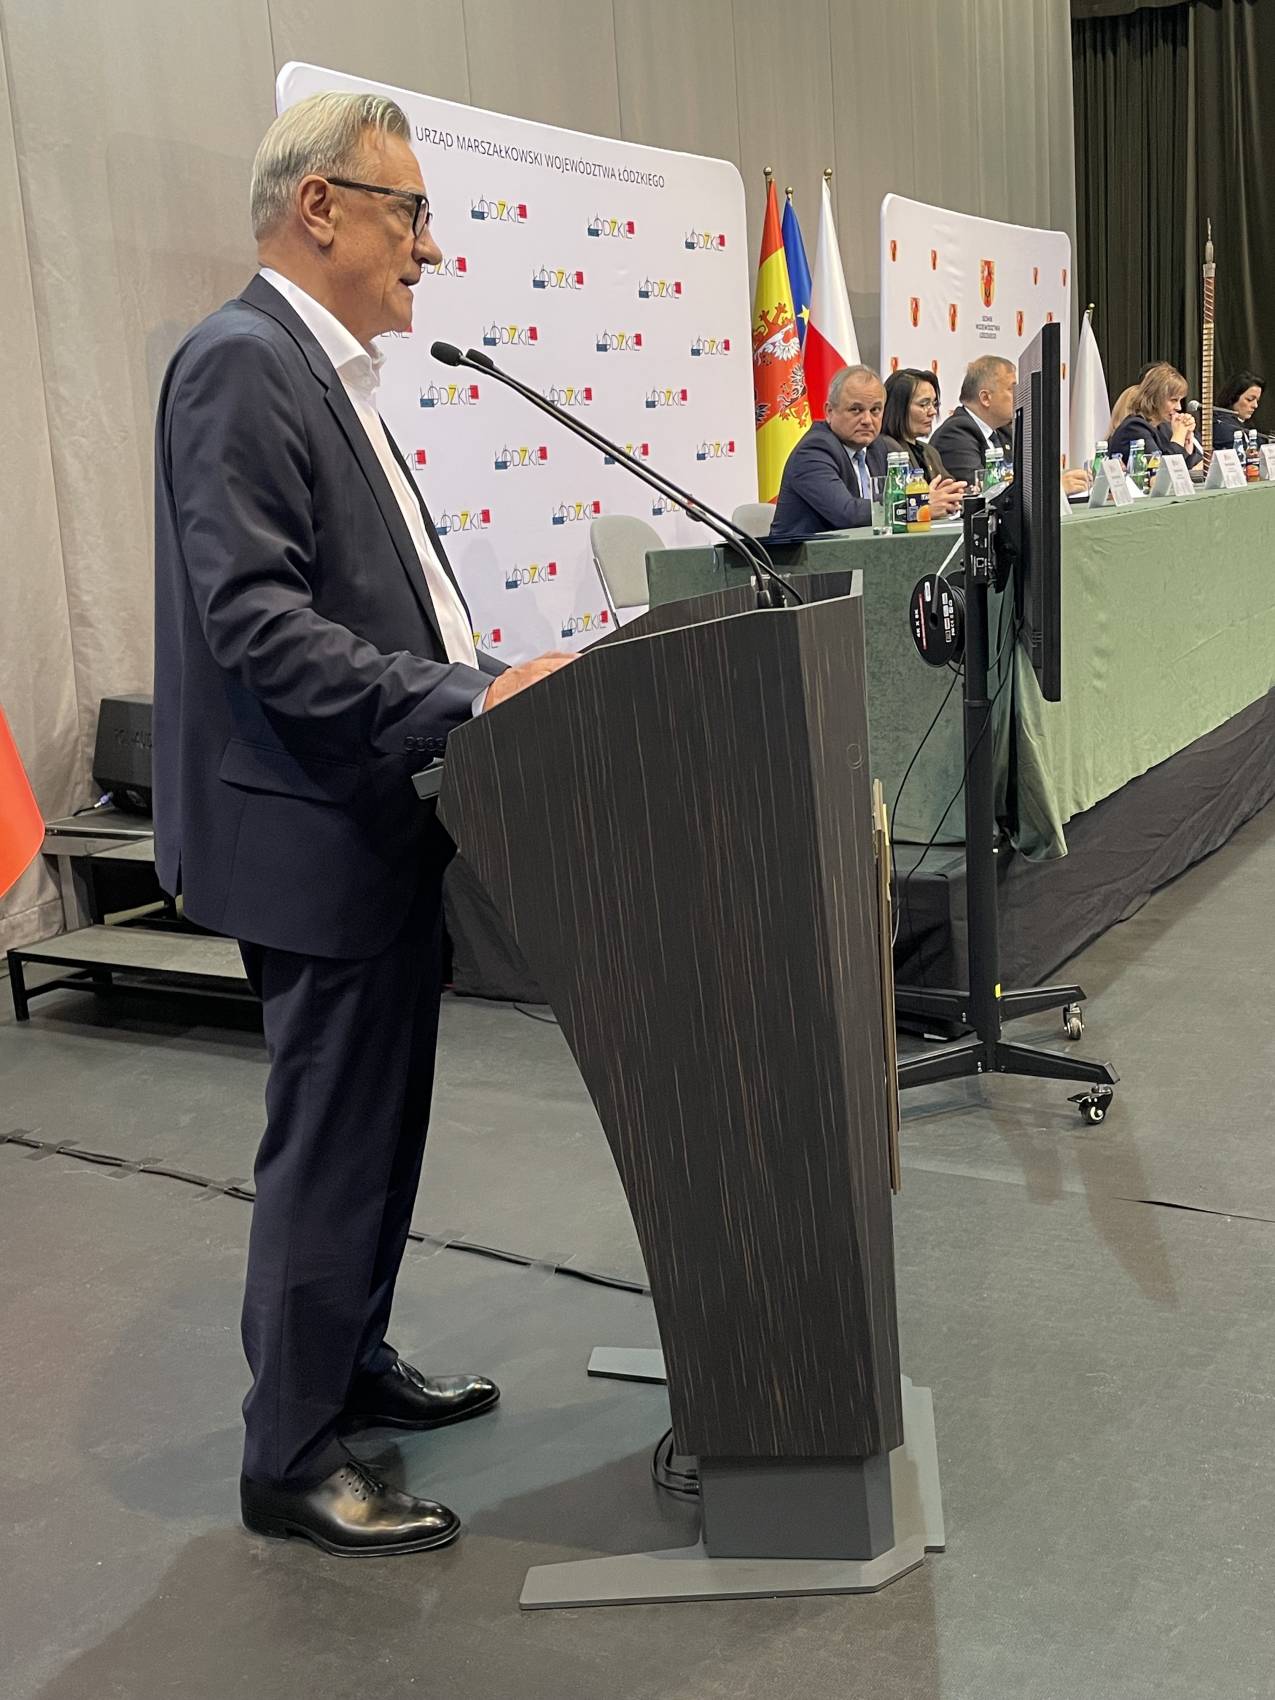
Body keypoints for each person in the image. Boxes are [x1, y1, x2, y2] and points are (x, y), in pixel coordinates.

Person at [153, 92, 574, 1558]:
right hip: (308, 832)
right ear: (318, 205)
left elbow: (380, 610)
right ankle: (288, 1453)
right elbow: (258, 623)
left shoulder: (328, 376)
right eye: (410, 212)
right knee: (331, 1142)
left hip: (375, 820)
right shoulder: (240, 361)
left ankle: (348, 1362)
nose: (430, 249)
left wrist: (479, 677)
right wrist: (463, 696)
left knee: (381, 1129)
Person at [770, 364, 963, 539]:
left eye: (875, 410)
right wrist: (918, 506)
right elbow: (847, 514)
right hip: (804, 563)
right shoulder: (814, 450)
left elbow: (899, 499)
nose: (867, 420)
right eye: (856, 410)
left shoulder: (879, 447)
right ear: (829, 412)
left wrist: (943, 501)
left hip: (861, 556)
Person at [928, 354, 1016, 486]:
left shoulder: (1003, 432)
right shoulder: (955, 435)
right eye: (1012, 389)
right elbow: (981, 490)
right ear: (985, 398)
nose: (1018, 395)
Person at [1108, 362, 1203, 473]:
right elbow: (1161, 472)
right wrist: (1178, 436)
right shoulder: (1134, 428)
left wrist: (1187, 443)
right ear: (1155, 398)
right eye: (1173, 400)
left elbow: (1188, 468)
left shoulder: (1163, 427)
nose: (1179, 407)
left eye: (1180, 400)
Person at [881, 367, 949, 479]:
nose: (933, 412)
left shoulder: (931, 453)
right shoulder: (883, 449)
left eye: (934, 404)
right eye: (923, 404)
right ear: (898, 408)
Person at [1213, 369, 1264, 452]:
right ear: (1233, 397)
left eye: (1257, 401)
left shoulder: (1246, 424)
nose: (1255, 405)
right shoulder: (1221, 424)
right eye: (1249, 399)